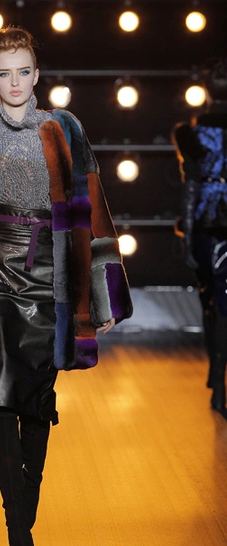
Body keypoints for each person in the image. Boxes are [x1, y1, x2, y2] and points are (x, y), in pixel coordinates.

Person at [0, 26, 133, 546]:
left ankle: (26, 503)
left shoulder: (64, 128)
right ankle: (16, 528)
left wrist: (102, 293)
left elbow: (92, 208)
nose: (15, 81)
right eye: (5, 73)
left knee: (37, 401)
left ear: (37, 75)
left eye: (23, 71)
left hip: (50, 275)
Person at [173, 57, 227, 418]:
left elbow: (191, 188)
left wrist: (188, 233)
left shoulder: (191, 135)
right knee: (219, 303)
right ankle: (218, 382)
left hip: (208, 226)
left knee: (213, 303)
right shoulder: (189, 134)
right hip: (213, 227)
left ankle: (217, 382)